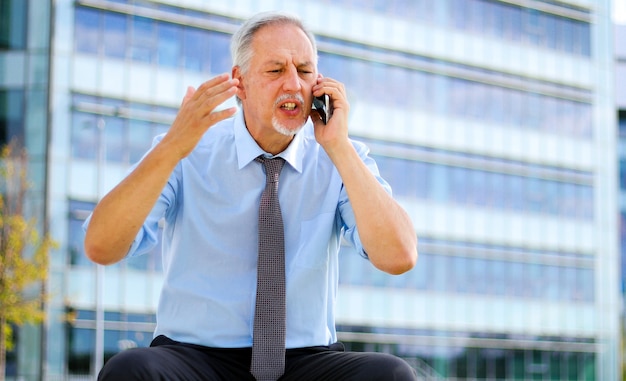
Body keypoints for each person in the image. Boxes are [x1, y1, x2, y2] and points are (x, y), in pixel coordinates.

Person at [84, 10, 418, 381]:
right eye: (275, 71)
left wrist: (339, 148)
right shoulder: (189, 150)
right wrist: (170, 149)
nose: (293, 83)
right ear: (239, 83)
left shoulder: (338, 155)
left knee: (391, 374)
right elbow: (101, 246)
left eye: (305, 71)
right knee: (130, 370)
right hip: (196, 358)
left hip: (304, 359)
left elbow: (399, 256)